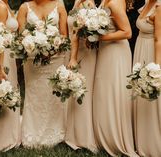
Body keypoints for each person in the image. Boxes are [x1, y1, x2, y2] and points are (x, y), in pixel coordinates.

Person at [18, 0, 68, 147]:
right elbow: (20, 37)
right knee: (34, 94)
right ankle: (32, 131)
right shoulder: (24, 7)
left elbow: (64, 35)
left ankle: (56, 132)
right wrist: (34, 48)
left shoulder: (59, 5)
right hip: (32, 59)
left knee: (53, 94)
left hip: (56, 58)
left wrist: (51, 50)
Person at [92, 0, 138, 156]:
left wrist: (98, 38)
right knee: (104, 93)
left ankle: (115, 138)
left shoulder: (115, 2)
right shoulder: (105, 0)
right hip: (106, 50)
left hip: (116, 52)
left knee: (113, 92)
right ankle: (104, 135)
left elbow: (127, 32)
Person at [65, 0, 98, 152]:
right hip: (73, 51)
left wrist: (73, 58)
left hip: (83, 54)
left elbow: (77, 34)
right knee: (74, 91)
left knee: (82, 92)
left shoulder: (89, 4)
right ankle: (72, 132)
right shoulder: (77, 2)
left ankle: (83, 137)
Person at [0, 0, 21, 151]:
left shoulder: (5, 4)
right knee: (4, 91)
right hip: (3, 56)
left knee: (8, 92)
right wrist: (0, 67)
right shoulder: (0, 7)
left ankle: (10, 133)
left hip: (9, 54)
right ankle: (1, 139)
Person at [133, 0, 161, 156]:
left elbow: (159, 39)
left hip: (152, 53)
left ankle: (155, 144)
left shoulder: (159, 7)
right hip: (140, 49)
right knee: (141, 95)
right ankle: (142, 141)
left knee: (154, 98)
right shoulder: (147, 3)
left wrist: (157, 67)